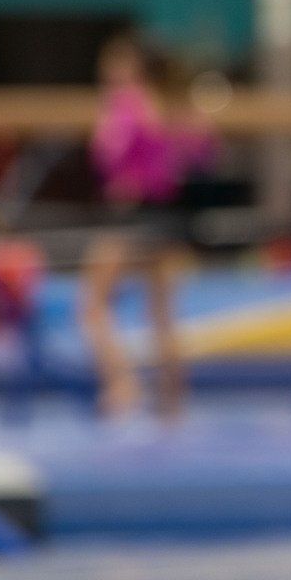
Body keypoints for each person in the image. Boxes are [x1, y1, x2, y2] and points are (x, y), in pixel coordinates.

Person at [81, 34, 217, 418]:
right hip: (169, 215)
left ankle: (122, 383)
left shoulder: (126, 106)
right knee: (161, 314)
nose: (107, 74)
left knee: (91, 306)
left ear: (133, 70)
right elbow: (205, 151)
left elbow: (107, 158)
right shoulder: (173, 105)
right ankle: (173, 402)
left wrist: (123, 158)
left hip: (135, 216)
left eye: (115, 67)